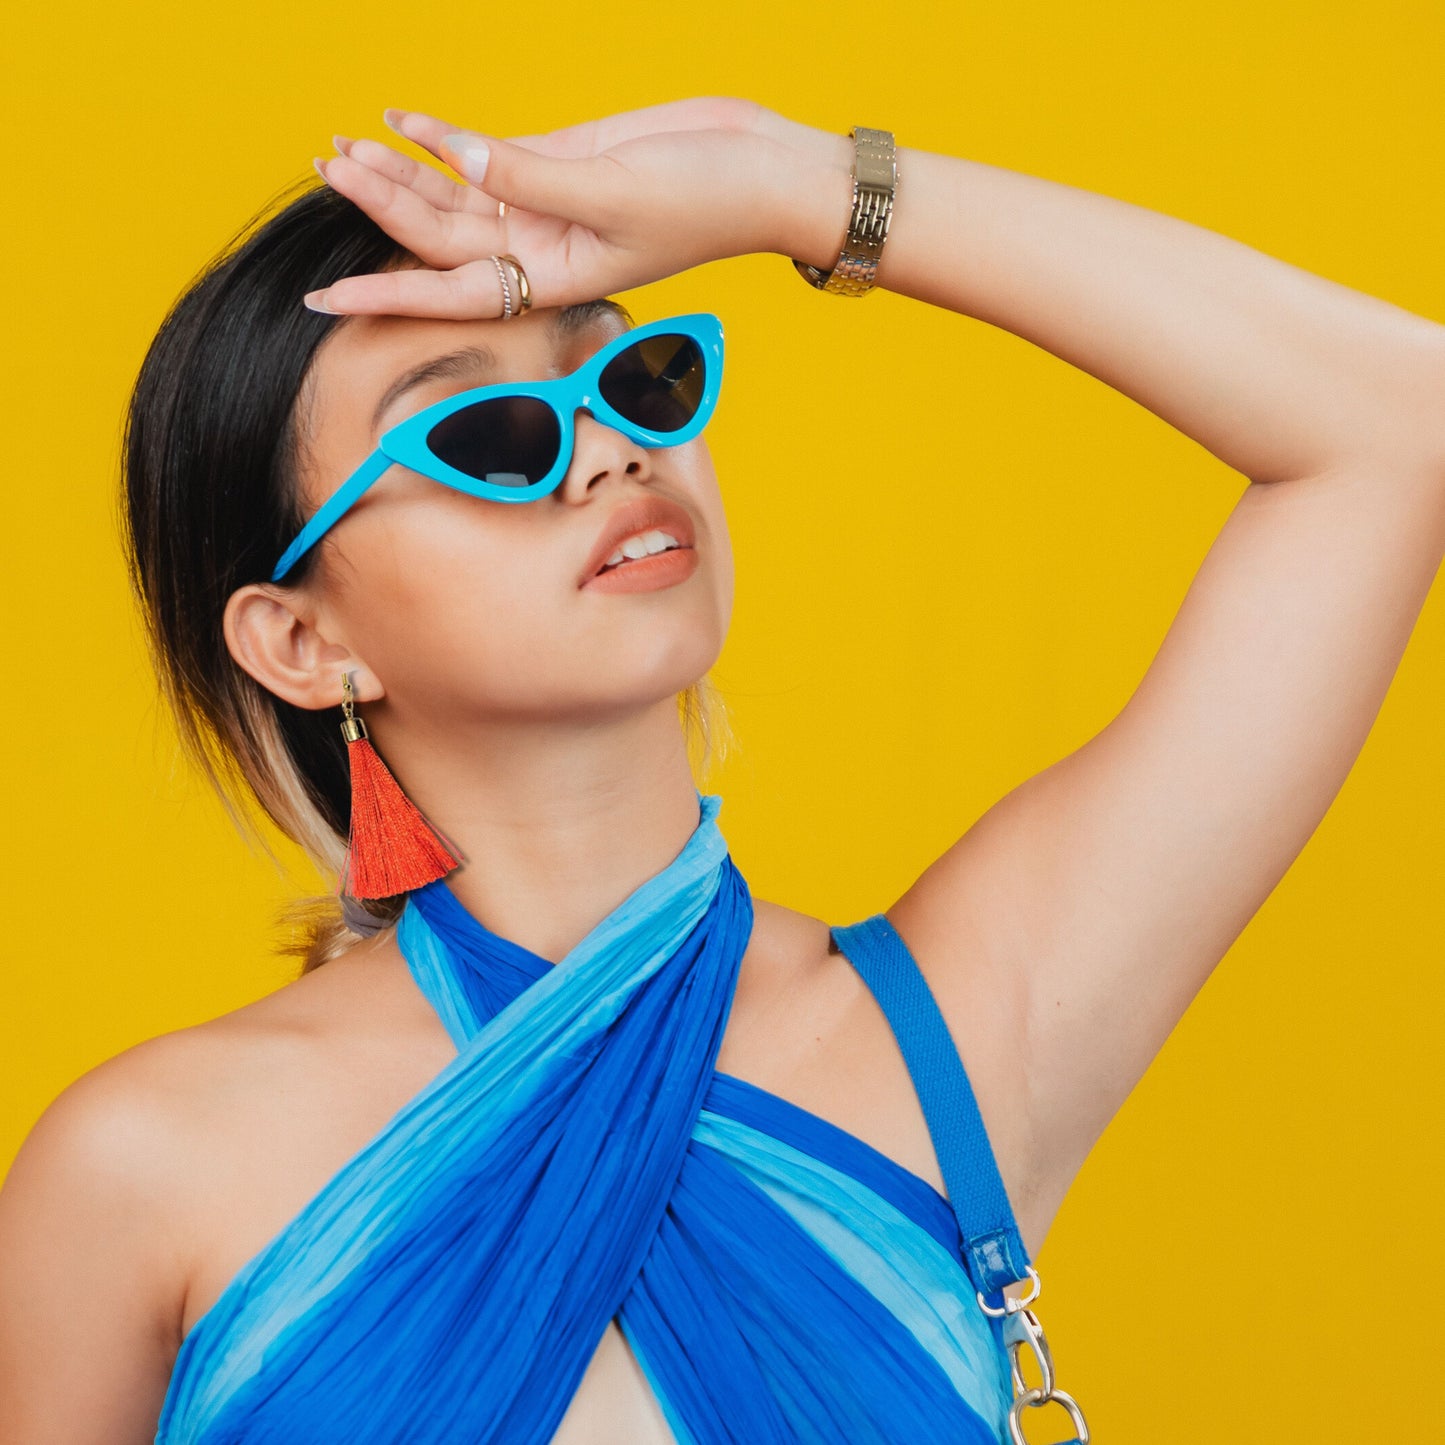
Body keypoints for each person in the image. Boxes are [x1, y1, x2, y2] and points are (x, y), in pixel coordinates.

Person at [0, 94, 1441, 1445]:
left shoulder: (944, 1032)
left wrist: (794, 183)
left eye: (632, 374)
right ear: (303, 642)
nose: (607, 451)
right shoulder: (136, 1170)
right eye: (486, 433)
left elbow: (1397, 426)